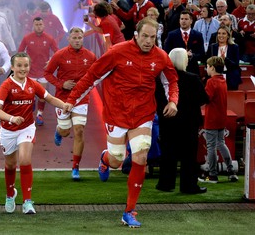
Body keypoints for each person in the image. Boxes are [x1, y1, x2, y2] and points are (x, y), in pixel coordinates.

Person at [64, 18, 179, 228]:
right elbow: (92, 76)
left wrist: (173, 100)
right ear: (136, 34)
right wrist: (72, 99)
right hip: (117, 113)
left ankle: (129, 211)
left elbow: (171, 80)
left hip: (143, 114)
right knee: (117, 160)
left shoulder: (160, 56)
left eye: (152, 37)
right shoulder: (117, 52)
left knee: (141, 156)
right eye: (144, 36)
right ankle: (105, 159)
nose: (148, 41)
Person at [0, 52, 65, 215]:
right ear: (12, 67)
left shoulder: (33, 84)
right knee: (10, 164)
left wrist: (65, 105)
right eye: (19, 65)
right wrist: (11, 118)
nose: (23, 69)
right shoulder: (6, 86)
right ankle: (10, 195)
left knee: (25, 160)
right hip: (8, 130)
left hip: (27, 128)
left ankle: (27, 201)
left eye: (26, 65)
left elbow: (50, 98)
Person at [44, 27, 96, 181]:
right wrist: (61, 84)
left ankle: (75, 168)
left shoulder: (91, 56)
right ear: (69, 39)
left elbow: (96, 73)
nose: (77, 40)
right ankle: (59, 131)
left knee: (79, 130)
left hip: (81, 98)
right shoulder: (59, 55)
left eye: (80, 38)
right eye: (74, 38)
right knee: (66, 132)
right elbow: (47, 73)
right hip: (63, 98)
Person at [155, 48, 209, 194]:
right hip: (189, 123)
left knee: (168, 153)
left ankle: (165, 184)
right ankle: (188, 186)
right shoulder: (192, 78)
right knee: (189, 155)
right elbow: (204, 99)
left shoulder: (161, 78)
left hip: (168, 121)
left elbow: (156, 99)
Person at [198, 56, 239, 183]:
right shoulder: (223, 80)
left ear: (213, 68)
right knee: (221, 143)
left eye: (208, 66)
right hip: (221, 117)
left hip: (211, 119)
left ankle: (212, 174)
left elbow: (205, 98)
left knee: (211, 146)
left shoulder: (211, 82)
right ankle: (231, 171)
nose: (206, 69)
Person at [18, 17, 58, 126]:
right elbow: (20, 52)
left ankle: (39, 114)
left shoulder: (49, 38)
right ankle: (31, 107)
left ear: (43, 25)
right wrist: (24, 64)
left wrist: (51, 61)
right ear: (33, 26)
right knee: (30, 95)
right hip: (30, 71)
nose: (39, 26)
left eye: (40, 24)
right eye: (36, 25)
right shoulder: (27, 38)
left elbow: (57, 53)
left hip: (43, 72)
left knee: (42, 95)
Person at [164, 10, 205, 75]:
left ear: (191, 21)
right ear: (179, 21)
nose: (183, 21)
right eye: (182, 19)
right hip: (176, 70)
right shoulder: (172, 35)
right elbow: (166, 52)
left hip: (193, 69)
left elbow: (202, 54)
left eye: (186, 19)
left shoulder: (198, 35)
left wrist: (192, 55)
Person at [207, 26, 241, 90]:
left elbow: (236, 65)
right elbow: (208, 62)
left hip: (230, 77)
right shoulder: (212, 47)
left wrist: (225, 59)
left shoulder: (234, 47)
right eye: (219, 33)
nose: (221, 35)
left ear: (228, 35)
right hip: (215, 77)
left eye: (223, 33)